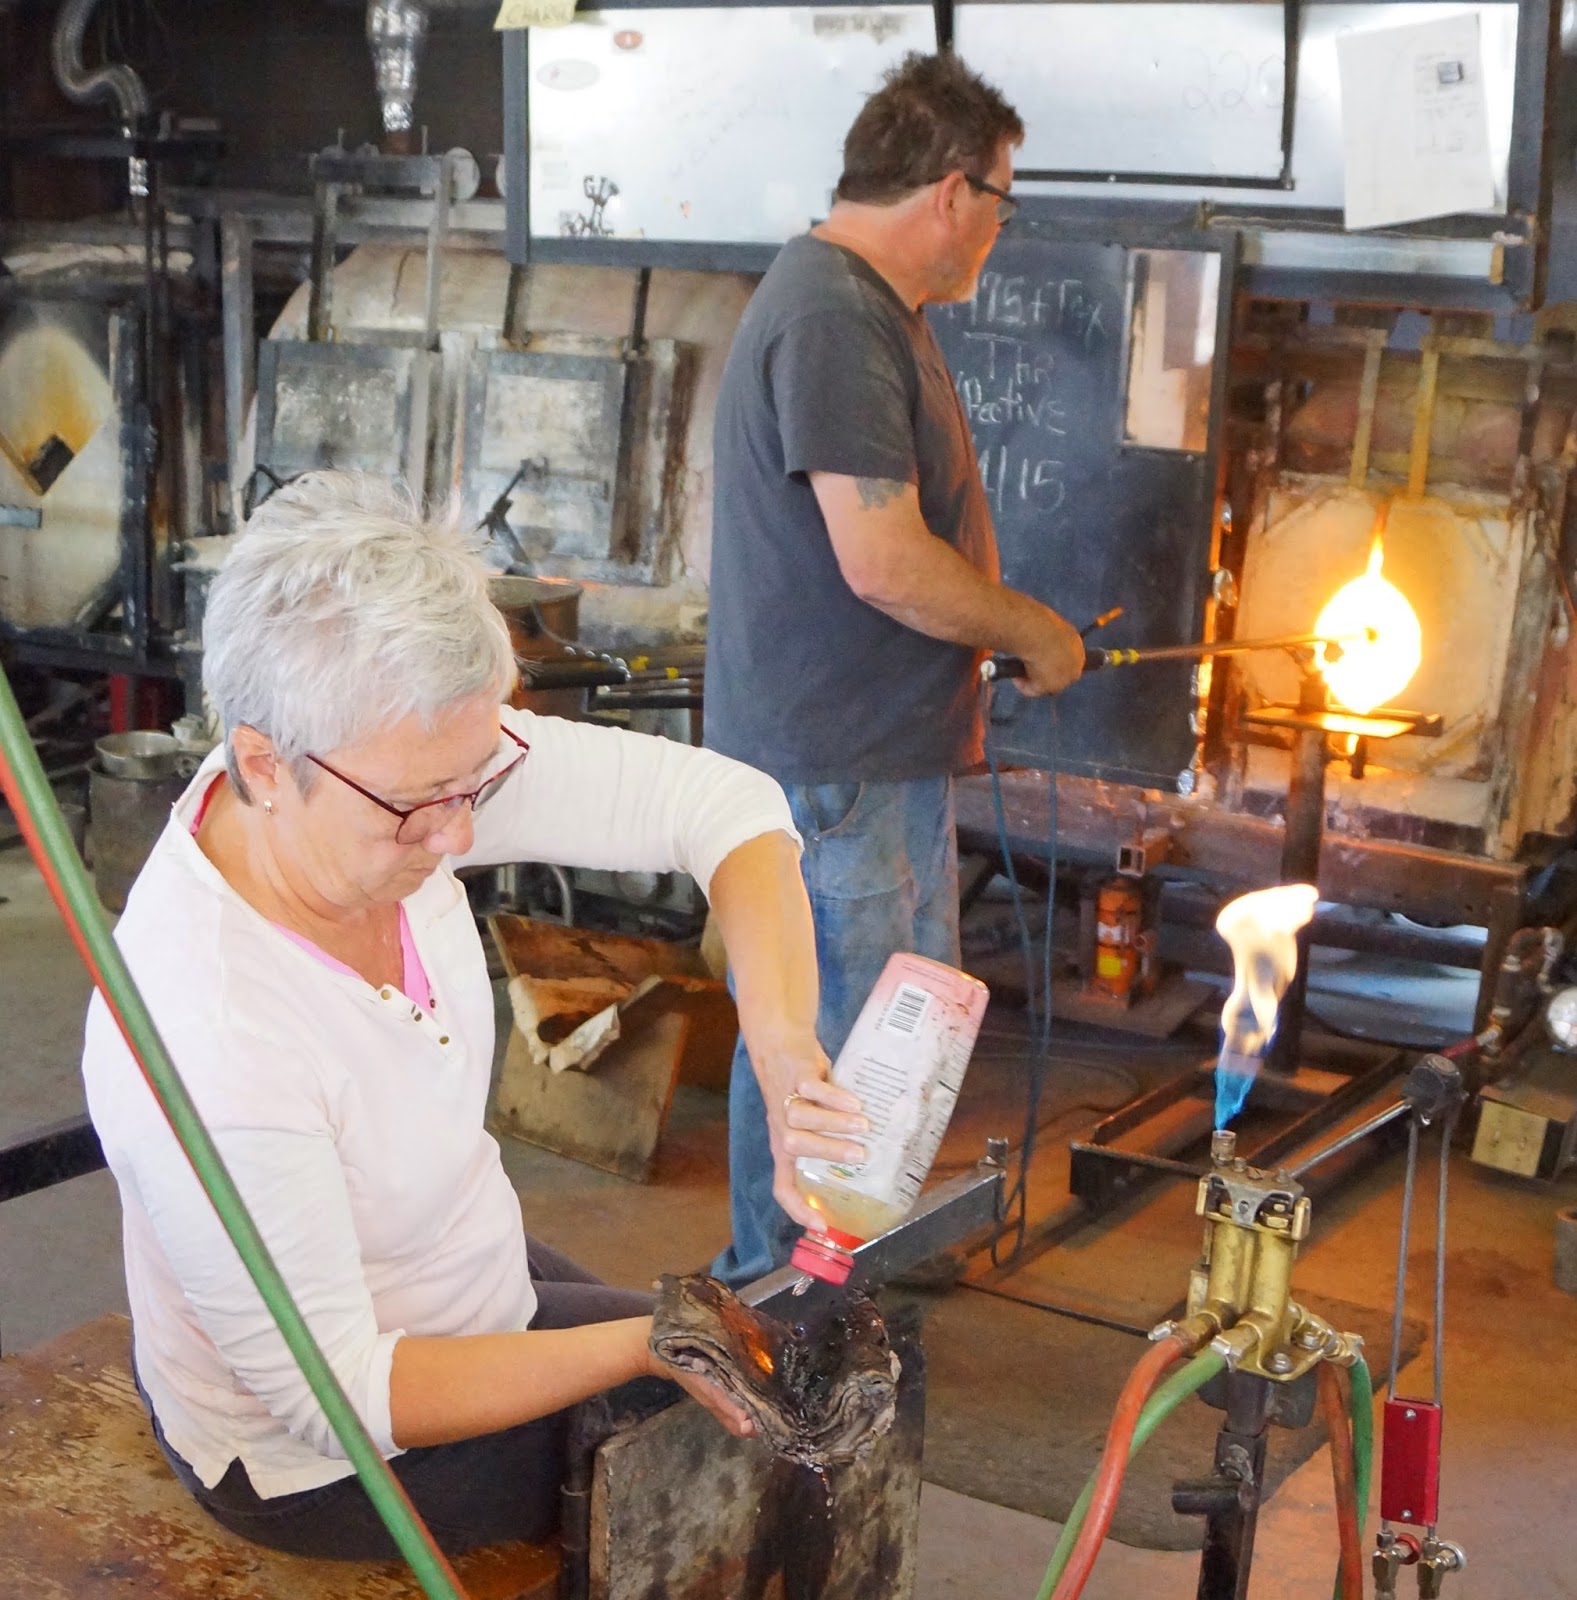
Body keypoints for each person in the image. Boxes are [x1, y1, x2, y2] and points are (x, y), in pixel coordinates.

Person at [80, 470, 871, 1560]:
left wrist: (783, 1051)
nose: (458, 836)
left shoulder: (381, 772)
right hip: (319, 1453)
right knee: (743, 1456)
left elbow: (728, 809)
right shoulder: (212, 1032)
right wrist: (638, 1345)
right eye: (417, 805)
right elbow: (340, 1395)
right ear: (263, 762)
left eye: (474, 781)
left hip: (459, 1273)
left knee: (756, 1367)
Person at [704, 51, 1086, 1285]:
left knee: (883, 1039)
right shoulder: (829, 314)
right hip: (832, 772)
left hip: (875, 761)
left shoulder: (871, 309)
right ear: (948, 192)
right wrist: (1026, 628)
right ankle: (784, 1303)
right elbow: (879, 558)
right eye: (1000, 202)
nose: (996, 232)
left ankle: (836, 1274)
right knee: (827, 1045)